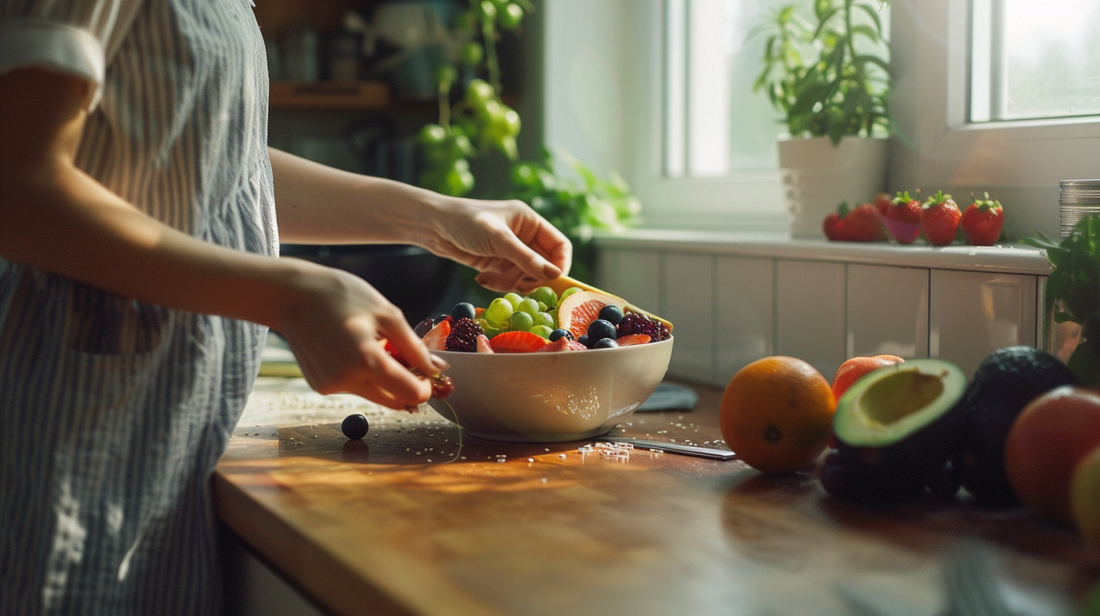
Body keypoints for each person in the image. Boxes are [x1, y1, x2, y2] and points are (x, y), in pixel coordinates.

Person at [0, 1, 571, 613]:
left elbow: (211, 157)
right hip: (67, 440)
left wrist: (434, 218)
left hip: (168, 439)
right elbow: (16, 185)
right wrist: (289, 297)